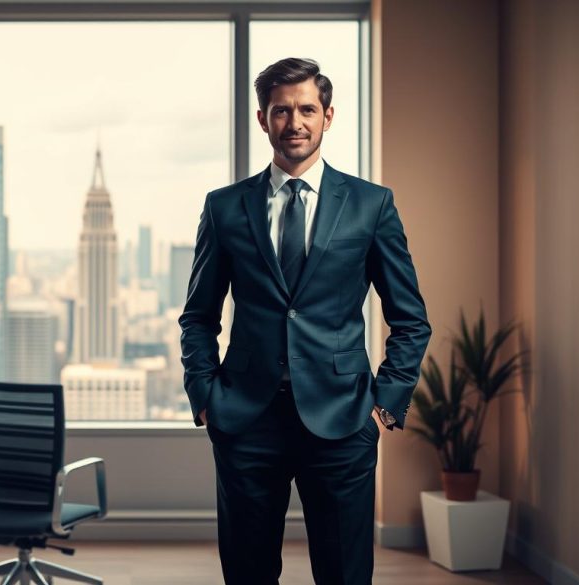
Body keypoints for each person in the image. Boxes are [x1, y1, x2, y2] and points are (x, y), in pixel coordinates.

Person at [178, 57, 431, 585]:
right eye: (281, 110)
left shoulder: (371, 205)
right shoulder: (225, 208)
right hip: (246, 417)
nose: (294, 121)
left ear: (328, 116)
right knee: (248, 573)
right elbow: (198, 315)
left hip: (342, 420)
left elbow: (409, 318)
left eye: (307, 110)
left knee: (344, 574)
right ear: (263, 118)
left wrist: (386, 402)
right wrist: (204, 394)